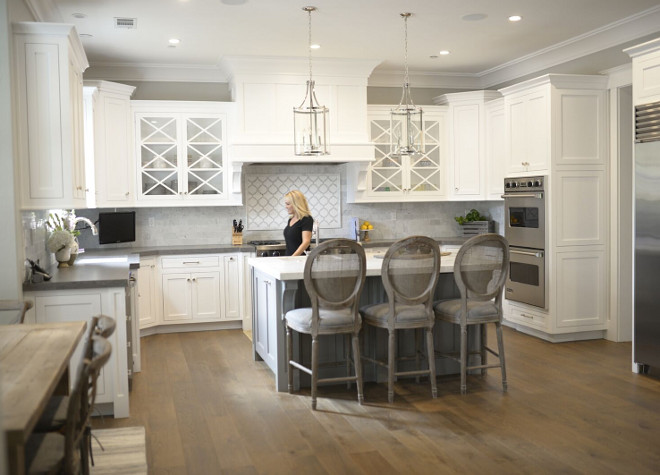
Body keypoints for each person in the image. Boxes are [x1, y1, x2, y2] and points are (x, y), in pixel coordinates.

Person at [283, 190, 314, 256]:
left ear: (296, 204)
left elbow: (306, 242)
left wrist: (293, 257)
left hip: (299, 260)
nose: (286, 206)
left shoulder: (306, 219)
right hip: (289, 259)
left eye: (288, 204)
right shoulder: (290, 219)